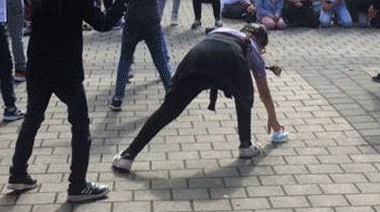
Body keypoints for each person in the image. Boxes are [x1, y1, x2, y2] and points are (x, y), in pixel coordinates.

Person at [7, 0, 144, 202]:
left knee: (33, 118)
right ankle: (77, 184)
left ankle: (18, 172)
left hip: (37, 63)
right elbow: (103, 24)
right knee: (80, 124)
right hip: (66, 68)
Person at [111, 23, 285, 174]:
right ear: (260, 43)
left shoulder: (223, 30)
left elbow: (211, 48)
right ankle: (245, 146)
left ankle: (128, 156)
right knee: (244, 97)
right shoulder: (252, 47)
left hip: (199, 56)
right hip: (231, 59)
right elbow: (264, 93)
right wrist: (272, 118)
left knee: (168, 110)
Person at [110, 0, 174, 111]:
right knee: (160, 59)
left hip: (132, 20)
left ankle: (118, 98)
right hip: (152, 20)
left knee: (125, 59)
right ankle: (171, 90)